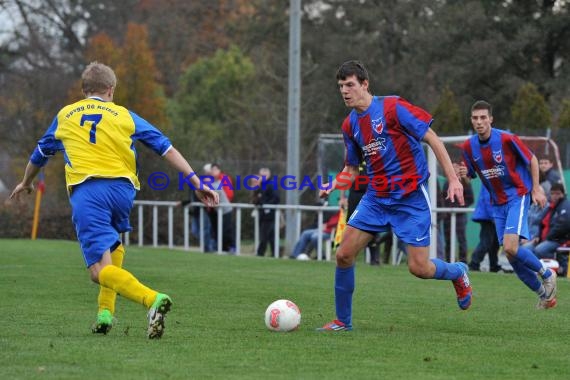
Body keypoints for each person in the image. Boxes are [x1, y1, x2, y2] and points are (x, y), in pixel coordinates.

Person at [9, 62, 219, 338]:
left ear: (84, 90)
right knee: (112, 245)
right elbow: (165, 147)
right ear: (110, 90)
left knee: (98, 271)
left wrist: (26, 182)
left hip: (88, 191)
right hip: (123, 191)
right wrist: (195, 181)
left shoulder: (66, 115)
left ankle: (152, 299)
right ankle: (105, 314)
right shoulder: (124, 114)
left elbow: (38, 155)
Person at [317, 60, 471, 332]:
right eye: (340, 86)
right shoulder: (349, 125)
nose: (344, 91)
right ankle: (343, 321)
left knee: (419, 268)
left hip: (410, 198)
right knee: (343, 254)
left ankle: (457, 272)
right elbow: (351, 169)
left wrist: (454, 179)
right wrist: (333, 185)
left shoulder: (392, 107)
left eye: (349, 85)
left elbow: (433, 138)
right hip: (376, 198)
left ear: (365, 84)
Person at [460, 100, 557, 309]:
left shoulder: (506, 139)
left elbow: (531, 159)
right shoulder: (469, 146)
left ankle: (548, 274)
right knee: (512, 256)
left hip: (517, 195)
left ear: (491, 119)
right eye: (475, 118)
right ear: (471, 120)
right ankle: (544, 295)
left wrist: (536, 188)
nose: (479, 122)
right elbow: (470, 175)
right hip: (497, 203)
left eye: (483, 117)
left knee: (511, 247)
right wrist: (463, 176)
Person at [523, 183, 570, 275]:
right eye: (553, 193)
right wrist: (538, 236)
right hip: (544, 239)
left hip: (557, 240)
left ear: (563, 194)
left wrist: (548, 237)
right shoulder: (551, 207)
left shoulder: (565, 206)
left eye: (557, 193)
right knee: (526, 249)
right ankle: (526, 272)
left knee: (539, 250)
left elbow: (563, 226)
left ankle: (548, 271)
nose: (555, 196)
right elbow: (541, 223)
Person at [441, 163, 474, 263]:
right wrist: (447, 210)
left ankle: (463, 262)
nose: (454, 169)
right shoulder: (447, 183)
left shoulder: (465, 183)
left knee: (461, 239)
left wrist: (459, 207)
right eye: (452, 167)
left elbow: (470, 199)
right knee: (448, 240)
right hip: (447, 216)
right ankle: (449, 261)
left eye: (456, 167)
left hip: (460, 216)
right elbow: (443, 198)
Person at [468, 186, 502, 272]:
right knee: (486, 242)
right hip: (488, 217)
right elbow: (488, 199)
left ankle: (494, 265)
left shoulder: (490, 178)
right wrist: (493, 216)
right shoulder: (489, 179)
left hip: (490, 216)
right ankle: (474, 263)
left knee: (495, 243)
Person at [252, 167, 280, 257]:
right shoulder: (260, 186)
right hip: (263, 214)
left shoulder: (271, 185)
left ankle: (260, 253)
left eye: (264, 175)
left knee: (265, 235)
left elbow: (276, 198)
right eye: (261, 175)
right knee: (271, 236)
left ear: (269, 175)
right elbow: (256, 199)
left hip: (269, 215)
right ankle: (276, 253)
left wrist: (266, 205)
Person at [208, 163, 235, 252]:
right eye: (212, 170)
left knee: (226, 229)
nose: (213, 171)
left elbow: (229, 194)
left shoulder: (224, 179)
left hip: (223, 208)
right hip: (213, 210)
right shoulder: (209, 180)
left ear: (219, 170)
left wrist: (219, 202)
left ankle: (230, 247)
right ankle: (221, 248)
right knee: (216, 230)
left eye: (215, 169)